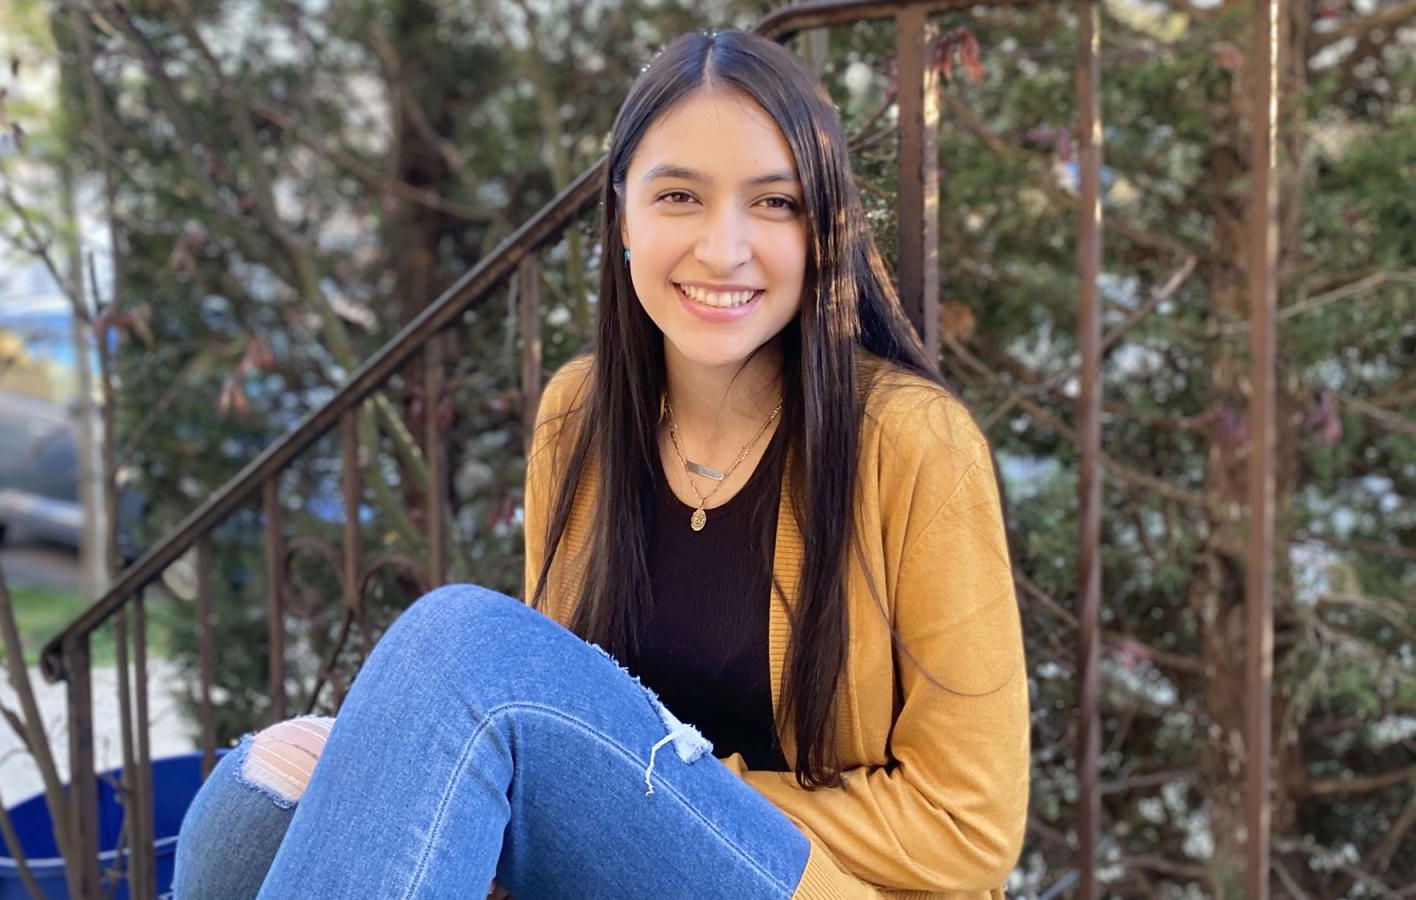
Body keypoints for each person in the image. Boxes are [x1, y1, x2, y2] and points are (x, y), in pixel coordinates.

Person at [173, 29, 1028, 900]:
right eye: (680, 196)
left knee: (462, 646)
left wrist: (667, 793)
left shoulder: (912, 441)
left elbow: (970, 828)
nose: (724, 248)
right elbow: (563, 726)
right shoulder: (579, 417)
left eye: (774, 204)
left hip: (811, 884)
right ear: (622, 215)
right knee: (251, 807)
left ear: (822, 232)